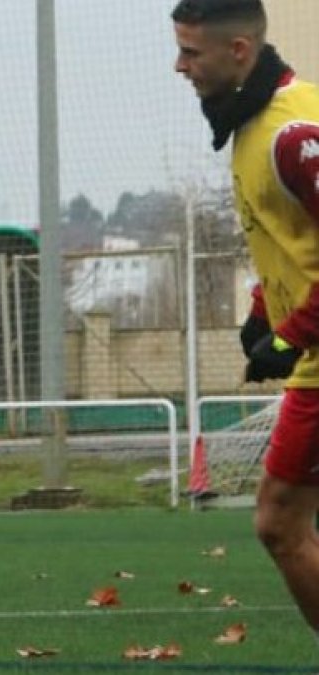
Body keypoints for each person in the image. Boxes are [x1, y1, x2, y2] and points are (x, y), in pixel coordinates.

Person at [172, 0, 319, 653]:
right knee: (280, 521)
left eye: (191, 52)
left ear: (238, 51)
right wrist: (265, 310)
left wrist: (292, 334)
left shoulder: (294, 133)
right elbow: (291, 238)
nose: (180, 66)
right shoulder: (252, 125)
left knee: (280, 522)